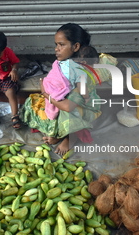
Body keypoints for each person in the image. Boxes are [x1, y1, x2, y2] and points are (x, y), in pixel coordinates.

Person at [20, 23, 102, 155]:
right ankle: (58, 134)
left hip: (74, 109)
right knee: (31, 104)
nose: (56, 49)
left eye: (61, 45)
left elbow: (68, 107)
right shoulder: (67, 64)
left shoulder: (80, 78)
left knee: (62, 117)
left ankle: (70, 137)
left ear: (75, 46)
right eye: (56, 44)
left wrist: (46, 95)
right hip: (62, 100)